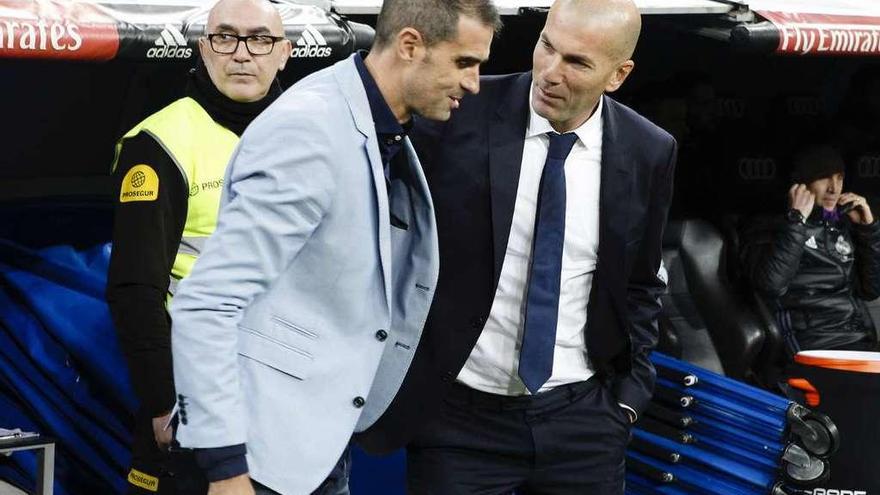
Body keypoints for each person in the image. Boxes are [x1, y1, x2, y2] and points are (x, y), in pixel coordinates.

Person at [169, 1, 500, 494]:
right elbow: (206, 302)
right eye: (464, 63)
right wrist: (224, 467)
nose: (473, 84)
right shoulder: (312, 129)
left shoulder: (377, 122)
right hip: (252, 462)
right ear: (410, 46)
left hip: (313, 446)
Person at [357, 0, 676, 493]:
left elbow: (640, 281)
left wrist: (627, 400)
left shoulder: (648, 149)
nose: (550, 71)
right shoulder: (458, 110)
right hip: (458, 422)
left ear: (618, 74)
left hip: (584, 423)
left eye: (577, 62)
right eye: (547, 45)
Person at [106, 0, 291, 492]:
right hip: (195, 398)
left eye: (260, 40)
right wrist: (165, 401)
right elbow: (134, 289)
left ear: (285, 53)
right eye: (226, 38)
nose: (242, 54)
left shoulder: (309, 135)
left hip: (291, 400)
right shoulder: (160, 142)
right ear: (205, 50)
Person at [742, 144, 880, 354]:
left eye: (840, 177)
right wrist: (796, 221)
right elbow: (770, 286)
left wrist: (868, 230)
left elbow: (871, 290)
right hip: (811, 346)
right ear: (801, 183)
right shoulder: (770, 226)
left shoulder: (840, 224)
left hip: (859, 341)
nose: (834, 188)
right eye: (824, 177)